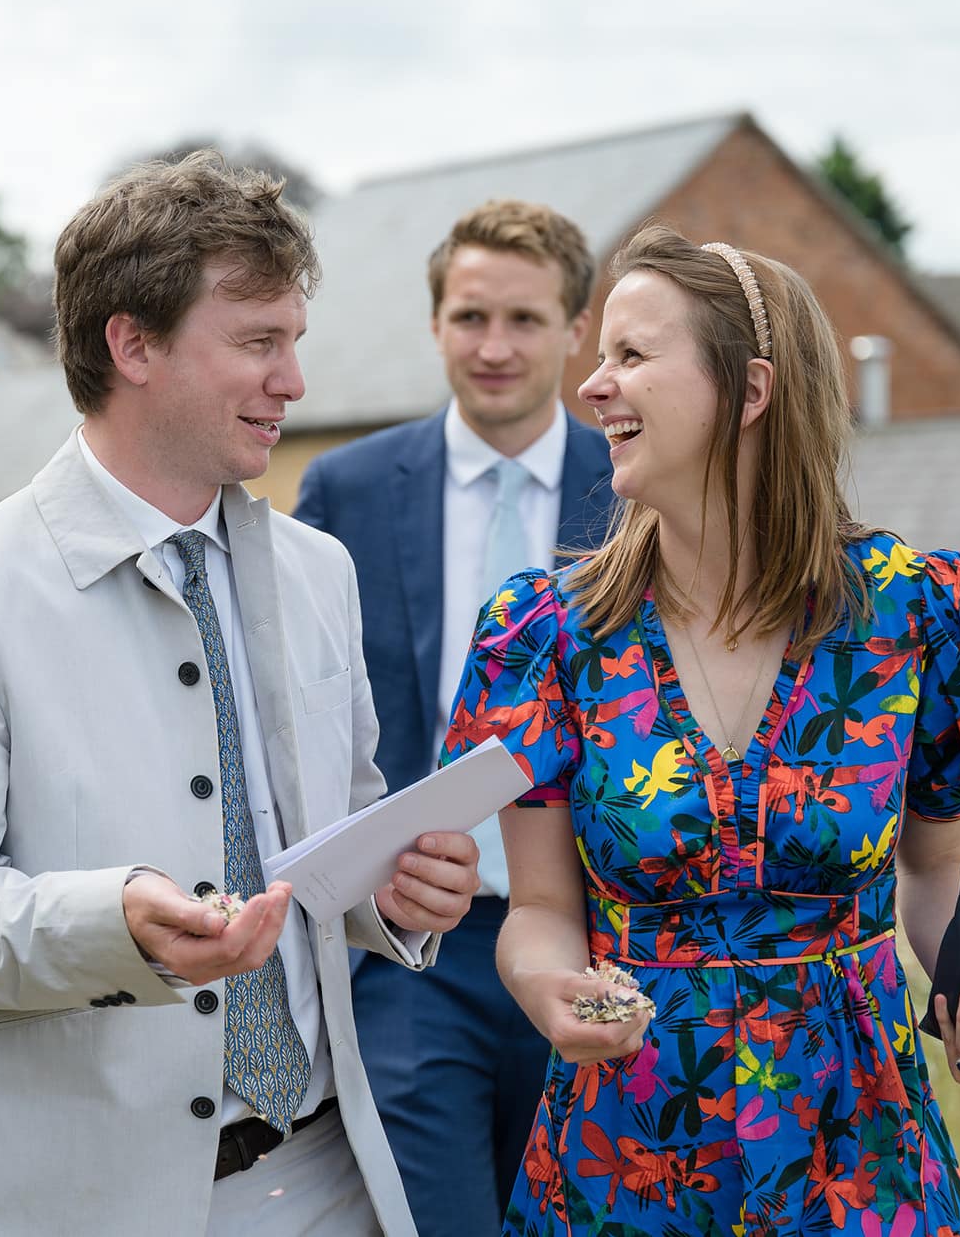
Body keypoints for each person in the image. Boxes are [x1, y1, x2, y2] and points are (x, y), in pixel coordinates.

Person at [0, 151, 482, 1236]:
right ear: (131, 343)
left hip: (328, 1176)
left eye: (294, 342)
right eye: (256, 344)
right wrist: (113, 925)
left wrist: (395, 890)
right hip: (68, 1202)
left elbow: (337, 827)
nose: (293, 381)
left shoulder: (320, 572)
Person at [445, 224, 960, 1235]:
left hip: (859, 1149)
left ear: (750, 391)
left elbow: (934, 881)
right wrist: (552, 987)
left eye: (631, 356)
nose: (591, 388)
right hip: (626, 1145)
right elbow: (541, 906)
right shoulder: (549, 636)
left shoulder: (918, 614)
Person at [292, 199, 616, 1235]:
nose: (493, 347)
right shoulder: (345, 489)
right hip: (410, 945)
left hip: (599, 939)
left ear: (575, 331)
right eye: (470, 317)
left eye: (524, 320)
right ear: (434, 324)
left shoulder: (641, 491)